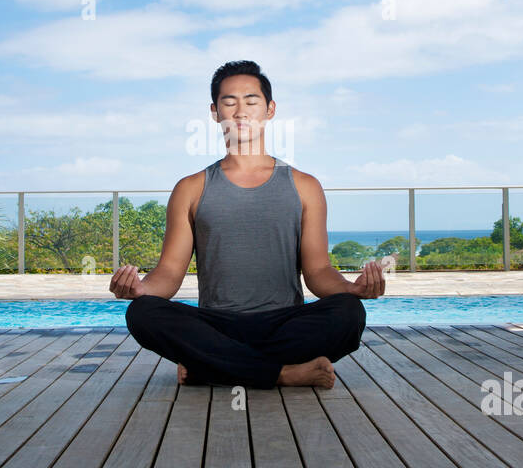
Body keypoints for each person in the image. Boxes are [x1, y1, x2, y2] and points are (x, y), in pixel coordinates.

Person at [110, 60, 385, 389]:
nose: (241, 112)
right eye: (229, 102)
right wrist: (140, 290)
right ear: (215, 112)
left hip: (284, 322)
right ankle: (282, 373)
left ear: (270, 110)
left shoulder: (305, 186)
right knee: (142, 314)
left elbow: (318, 272)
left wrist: (352, 289)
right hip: (217, 325)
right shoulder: (191, 188)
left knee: (349, 314)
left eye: (251, 101)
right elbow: (169, 274)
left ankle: (214, 367)